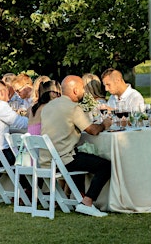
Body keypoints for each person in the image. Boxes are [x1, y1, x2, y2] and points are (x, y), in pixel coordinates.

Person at [41, 75, 112, 217]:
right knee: (105, 166)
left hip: (46, 158)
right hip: (63, 159)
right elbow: (92, 130)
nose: (84, 92)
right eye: (82, 89)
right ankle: (87, 201)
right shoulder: (72, 107)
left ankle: (79, 197)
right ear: (74, 90)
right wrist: (105, 124)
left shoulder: (48, 106)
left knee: (81, 157)